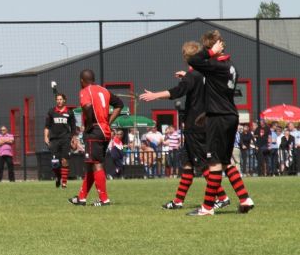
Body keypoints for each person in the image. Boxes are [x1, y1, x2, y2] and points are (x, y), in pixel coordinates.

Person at [140, 43, 230, 210]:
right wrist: (186, 75)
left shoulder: (193, 75)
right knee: (187, 164)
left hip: (195, 126)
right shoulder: (205, 73)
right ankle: (178, 201)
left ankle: (223, 197)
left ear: (186, 58)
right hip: (203, 123)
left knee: (203, 165)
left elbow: (177, 91)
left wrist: (155, 95)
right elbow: (196, 82)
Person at [185, 30, 254, 215]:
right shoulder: (231, 66)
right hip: (230, 115)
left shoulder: (215, 65)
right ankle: (244, 198)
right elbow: (218, 92)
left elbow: (193, 60)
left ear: (212, 48)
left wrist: (210, 52)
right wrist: (206, 113)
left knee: (214, 163)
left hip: (219, 118)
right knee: (225, 162)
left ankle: (207, 208)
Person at [68, 68, 123, 206]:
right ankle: (81, 198)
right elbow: (119, 104)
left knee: (97, 164)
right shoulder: (104, 90)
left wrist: (88, 126)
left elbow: (87, 107)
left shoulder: (85, 91)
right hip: (105, 131)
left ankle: (104, 200)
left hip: (94, 132)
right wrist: (108, 121)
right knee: (91, 164)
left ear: (82, 81)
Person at [44, 92, 77, 188]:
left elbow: (73, 128)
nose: (59, 101)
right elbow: (47, 126)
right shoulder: (51, 112)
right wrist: (45, 137)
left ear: (64, 100)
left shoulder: (69, 112)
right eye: (57, 99)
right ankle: (58, 177)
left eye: (60, 99)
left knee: (64, 161)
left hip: (66, 139)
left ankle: (64, 183)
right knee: (55, 163)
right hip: (54, 140)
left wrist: (74, 139)